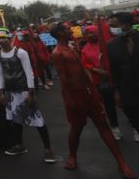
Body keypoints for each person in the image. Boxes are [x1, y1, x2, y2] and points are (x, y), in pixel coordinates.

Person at [50, 22, 135, 178]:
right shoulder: (58, 53)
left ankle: (122, 163)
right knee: (76, 128)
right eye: (67, 29)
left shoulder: (72, 47)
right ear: (61, 33)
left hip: (89, 94)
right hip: (75, 97)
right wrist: (70, 101)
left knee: (104, 126)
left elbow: (83, 71)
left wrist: (94, 91)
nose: (71, 30)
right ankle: (72, 156)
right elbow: (63, 80)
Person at [0, 27, 56, 163]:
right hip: (10, 92)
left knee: (37, 120)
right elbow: (0, 74)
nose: (1, 41)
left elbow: (29, 73)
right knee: (15, 119)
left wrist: (30, 93)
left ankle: (47, 149)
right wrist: (1, 92)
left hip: (24, 91)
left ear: (9, 38)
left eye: (3, 38)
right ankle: (19, 145)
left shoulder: (21, 52)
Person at [81, 25, 121, 139]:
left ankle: (135, 126)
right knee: (109, 106)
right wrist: (96, 70)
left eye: (92, 32)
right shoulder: (85, 49)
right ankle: (115, 128)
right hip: (100, 81)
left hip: (116, 78)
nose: (90, 35)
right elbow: (85, 63)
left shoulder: (108, 44)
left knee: (125, 102)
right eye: (88, 33)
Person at [107, 12, 139, 142]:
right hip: (127, 90)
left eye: (114, 25)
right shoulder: (111, 45)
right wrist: (116, 91)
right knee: (134, 119)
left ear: (126, 25)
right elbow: (114, 71)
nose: (111, 28)